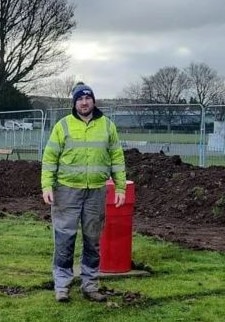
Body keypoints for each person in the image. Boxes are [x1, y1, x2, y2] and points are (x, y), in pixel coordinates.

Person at [41, 82, 126, 302]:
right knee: (64, 240)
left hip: (96, 192)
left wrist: (120, 187)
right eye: (80, 99)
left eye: (88, 98)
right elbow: (50, 159)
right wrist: (47, 185)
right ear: (74, 102)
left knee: (92, 240)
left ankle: (90, 285)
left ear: (94, 101)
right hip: (66, 191)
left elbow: (117, 159)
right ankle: (62, 285)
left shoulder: (107, 126)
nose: (84, 102)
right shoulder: (63, 126)